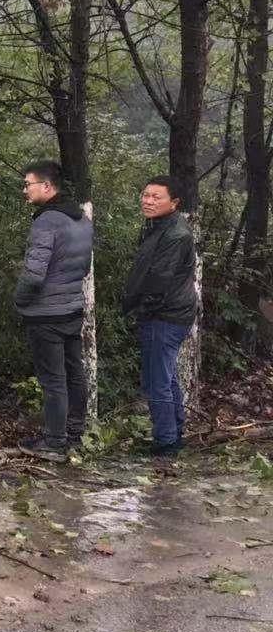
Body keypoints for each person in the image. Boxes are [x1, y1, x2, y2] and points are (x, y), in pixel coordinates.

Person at [14, 160, 93, 462]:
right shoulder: (82, 220)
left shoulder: (46, 221)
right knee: (74, 374)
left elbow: (34, 275)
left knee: (53, 380)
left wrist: (20, 300)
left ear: (46, 186)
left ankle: (54, 443)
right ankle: (74, 435)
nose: (25, 190)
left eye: (28, 184)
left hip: (45, 314)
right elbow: (84, 268)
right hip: (72, 310)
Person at [121, 175, 198, 457]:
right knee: (166, 376)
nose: (148, 201)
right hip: (168, 312)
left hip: (165, 315)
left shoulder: (175, 234)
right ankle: (173, 434)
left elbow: (159, 281)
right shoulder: (157, 226)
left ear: (173, 203)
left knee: (156, 381)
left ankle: (165, 443)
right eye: (146, 195)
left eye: (156, 197)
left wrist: (144, 310)